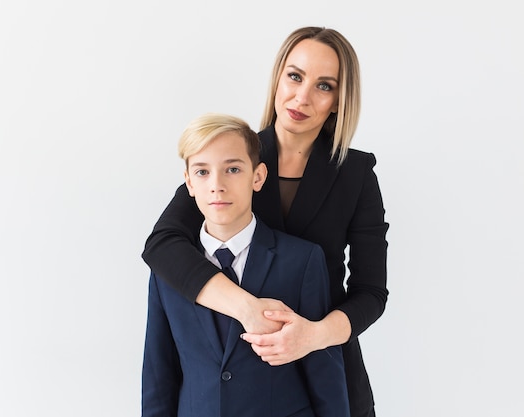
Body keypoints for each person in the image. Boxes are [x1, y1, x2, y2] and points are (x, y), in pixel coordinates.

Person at [143, 26, 388, 417]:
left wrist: (313, 335)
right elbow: (162, 246)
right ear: (278, 78)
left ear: (339, 101)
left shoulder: (356, 173)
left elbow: (371, 292)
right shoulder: (232, 156)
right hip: (228, 373)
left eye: (323, 86)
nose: (302, 97)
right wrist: (248, 309)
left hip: (324, 370)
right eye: (295, 76)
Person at [142, 113, 350, 417]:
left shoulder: (302, 260)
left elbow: (325, 376)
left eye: (233, 169)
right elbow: (159, 374)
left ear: (258, 177)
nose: (217, 185)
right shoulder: (167, 269)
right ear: (188, 182)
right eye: (202, 172)